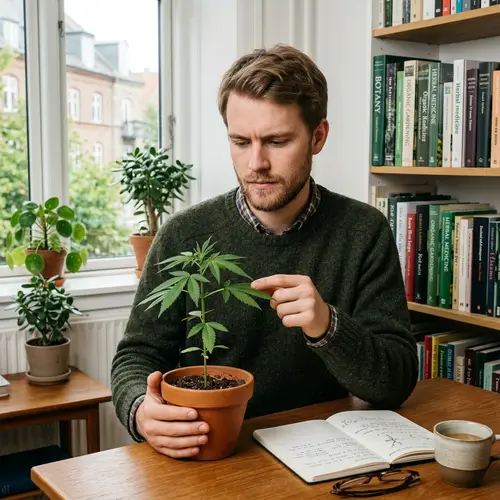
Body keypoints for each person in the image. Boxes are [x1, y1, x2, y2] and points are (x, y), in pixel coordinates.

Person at [110, 43, 418, 459]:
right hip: (210, 455)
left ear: (318, 137)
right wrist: (140, 409)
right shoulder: (184, 234)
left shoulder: (363, 231)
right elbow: (136, 356)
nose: (256, 163)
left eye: (276, 141)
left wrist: (328, 326)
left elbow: (396, 382)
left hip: (325, 458)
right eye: (240, 141)